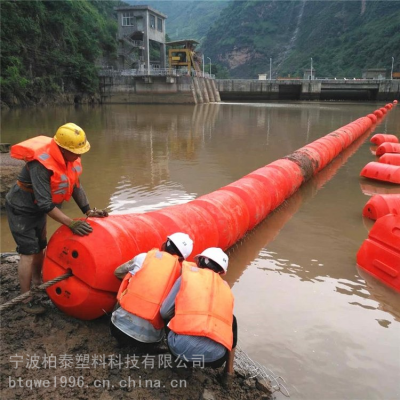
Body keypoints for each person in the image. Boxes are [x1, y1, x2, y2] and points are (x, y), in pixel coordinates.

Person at [5, 123, 109, 315]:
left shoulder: (70, 161)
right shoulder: (40, 164)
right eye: (76, 151)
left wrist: (88, 211)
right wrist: (71, 223)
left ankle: (38, 282)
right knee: (28, 252)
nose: (79, 155)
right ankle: (25, 298)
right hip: (22, 208)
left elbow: (75, 185)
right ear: (62, 148)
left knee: (40, 246)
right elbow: (45, 204)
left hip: (37, 208)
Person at [160, 247, 237, 380]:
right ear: (220, 271)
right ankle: (229, 372)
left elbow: (164, 312)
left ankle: (183, 364)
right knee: (232, 322)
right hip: (216, 358)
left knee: (171, 314)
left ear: (201, 261)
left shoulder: (187, 277)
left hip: (180, 350)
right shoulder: (226, 289)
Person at [110, 232, 194, 349]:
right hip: (147, 341)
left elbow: (118, 272)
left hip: (116, 327)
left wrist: (135, 282)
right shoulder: (180, 276)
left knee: (130, 276)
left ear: (165, 244)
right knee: (171, 305)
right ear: (181, 258)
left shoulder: (143, 257)